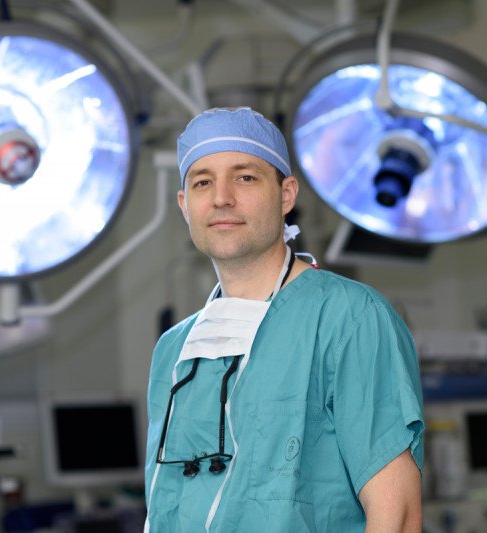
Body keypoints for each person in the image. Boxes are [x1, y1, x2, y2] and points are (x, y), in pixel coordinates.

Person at [144, 106, 424, 532]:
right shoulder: (174, 350)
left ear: (286, 194)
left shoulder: (349, 318)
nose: (221, 198)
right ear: (185, 205)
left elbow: (397, 517)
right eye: (203, 182)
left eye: (245, 177)